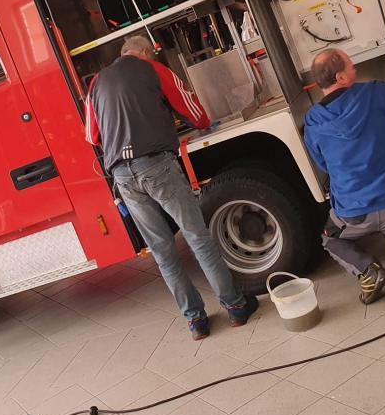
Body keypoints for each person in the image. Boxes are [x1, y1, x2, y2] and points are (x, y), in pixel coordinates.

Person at [84, 35, 257, 340]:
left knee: (162, 251)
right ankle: (235, 306)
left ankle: (196, 322)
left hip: (122, 175)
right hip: (157, 165)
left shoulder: (96, 83)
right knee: (196, 237)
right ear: (145, 52)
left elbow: (92, 136)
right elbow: (196, 115)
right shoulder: (153, 69)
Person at [303, 48, 385, 309]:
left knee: (330, 239)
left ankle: (368, 271)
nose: (355, 68)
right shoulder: (374, 93)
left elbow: (322, 164)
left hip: (354, 214)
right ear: (341, 77)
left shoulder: (313, 121)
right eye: (351, 65)